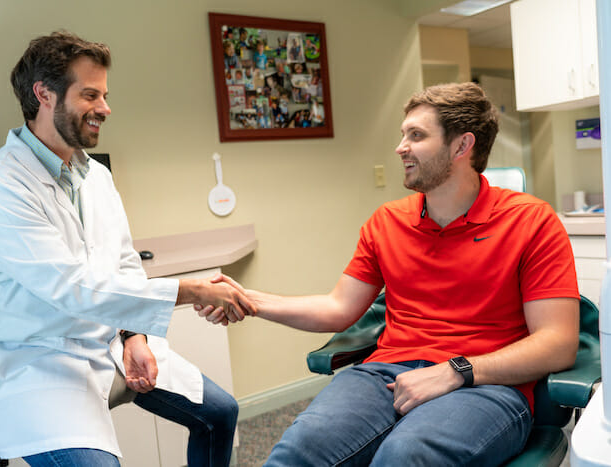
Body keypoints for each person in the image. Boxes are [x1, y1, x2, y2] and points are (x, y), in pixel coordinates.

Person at [202, 82, 580, 466]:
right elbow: (338, 308)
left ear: (462, 146)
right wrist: (248, 300)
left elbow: (558, 341)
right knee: (297, 453)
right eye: (403, 135)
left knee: (403, 456)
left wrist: (458, 370)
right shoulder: (387, 222)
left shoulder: (531, 221)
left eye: (416, 136)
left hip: (486, 385)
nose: (401, 147)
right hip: (386, 374)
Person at [0, 31, 253, 467]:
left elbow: (122, 263)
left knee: (220, 413)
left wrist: (133, 335)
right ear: (44, 94)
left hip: (106, 341)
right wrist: (192, 291)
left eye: (105, 95)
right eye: (90, 94)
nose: (105, 108)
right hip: (35, 357)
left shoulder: (95, 176)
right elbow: (71, 287)